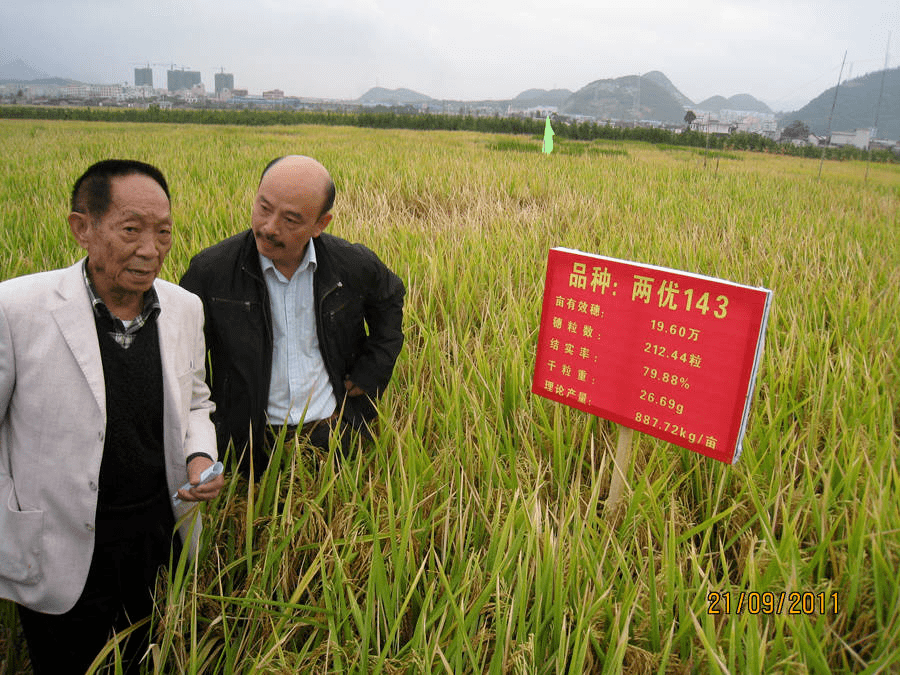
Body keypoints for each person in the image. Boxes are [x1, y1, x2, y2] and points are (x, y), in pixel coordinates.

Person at [0, 159, 224, 674]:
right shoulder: (18, 308)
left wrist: (199, 456)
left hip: (155, 537)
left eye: (163, 232)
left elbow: (195, 400)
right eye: (131, 230)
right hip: (57, 543)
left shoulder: (184, 307)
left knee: (148, 659)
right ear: (83, 228)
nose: (151, 249)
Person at [180, 155, 405, 476]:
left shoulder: (352, 265)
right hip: (248, 442)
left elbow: (390, 297)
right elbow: (183, 359)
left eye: (291, 219)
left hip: (333, 431)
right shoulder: (211, 272)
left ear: (320, 224)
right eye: (264, 207)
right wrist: (202, 438)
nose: (269, 227)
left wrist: (375, 366)